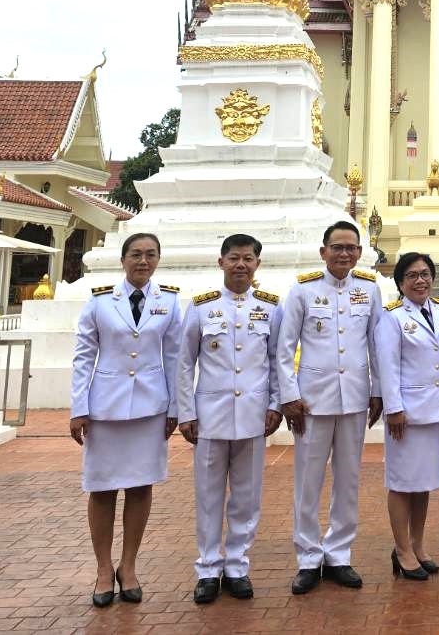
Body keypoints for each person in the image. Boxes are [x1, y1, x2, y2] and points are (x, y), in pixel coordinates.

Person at [69, 232, 181, 607]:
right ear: (123, 260)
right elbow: (84, 355)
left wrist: (176, 408)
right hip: (105, 408)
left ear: (158, 260)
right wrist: (78, 407)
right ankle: (103, 568)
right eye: (136, 254)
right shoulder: (101, 301)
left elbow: (175, 358)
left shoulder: (169, 301)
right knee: (101, 489)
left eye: (151, 254)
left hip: (150, 407)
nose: (143, 261)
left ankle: (128, 565)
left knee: (140, 486)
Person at [276, 220, 383, 595]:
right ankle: (308, 557)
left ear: (358, 253)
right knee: (308, 483)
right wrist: (289, 395)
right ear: (324, 252)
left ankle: (338, 553)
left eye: (351, 248)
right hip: (311, 401)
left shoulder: (369, 289)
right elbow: (284, 348)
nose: (344, 254)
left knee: (348, 480)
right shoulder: (304, 290)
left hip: (353, 398)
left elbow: (376, 344)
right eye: (337, 247)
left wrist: (378, 391)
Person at [176, 234, 283, 604]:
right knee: (208, 495)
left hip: (254, 416)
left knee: (246, 496)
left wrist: (275, 404)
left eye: (248, 259)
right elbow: (185, 361)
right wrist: (186, 411)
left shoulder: (270, 308)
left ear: (257, 264)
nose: (241, 265)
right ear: (220, 262)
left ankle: (237, 564)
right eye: (234, 258)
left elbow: (276, 362)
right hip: (209, 417)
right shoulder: (202, 307)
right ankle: (208, 567)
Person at [375, 251, 439, 580]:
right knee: (402, 483)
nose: (420, 280)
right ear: (400, 283)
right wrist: (393, 408)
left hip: (436, 412)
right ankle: (402, 549)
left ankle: (418, 545)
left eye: (425, 274)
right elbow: (387, 366)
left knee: (423, 484)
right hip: (405, 415)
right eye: (412, 275)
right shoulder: (391, 317)